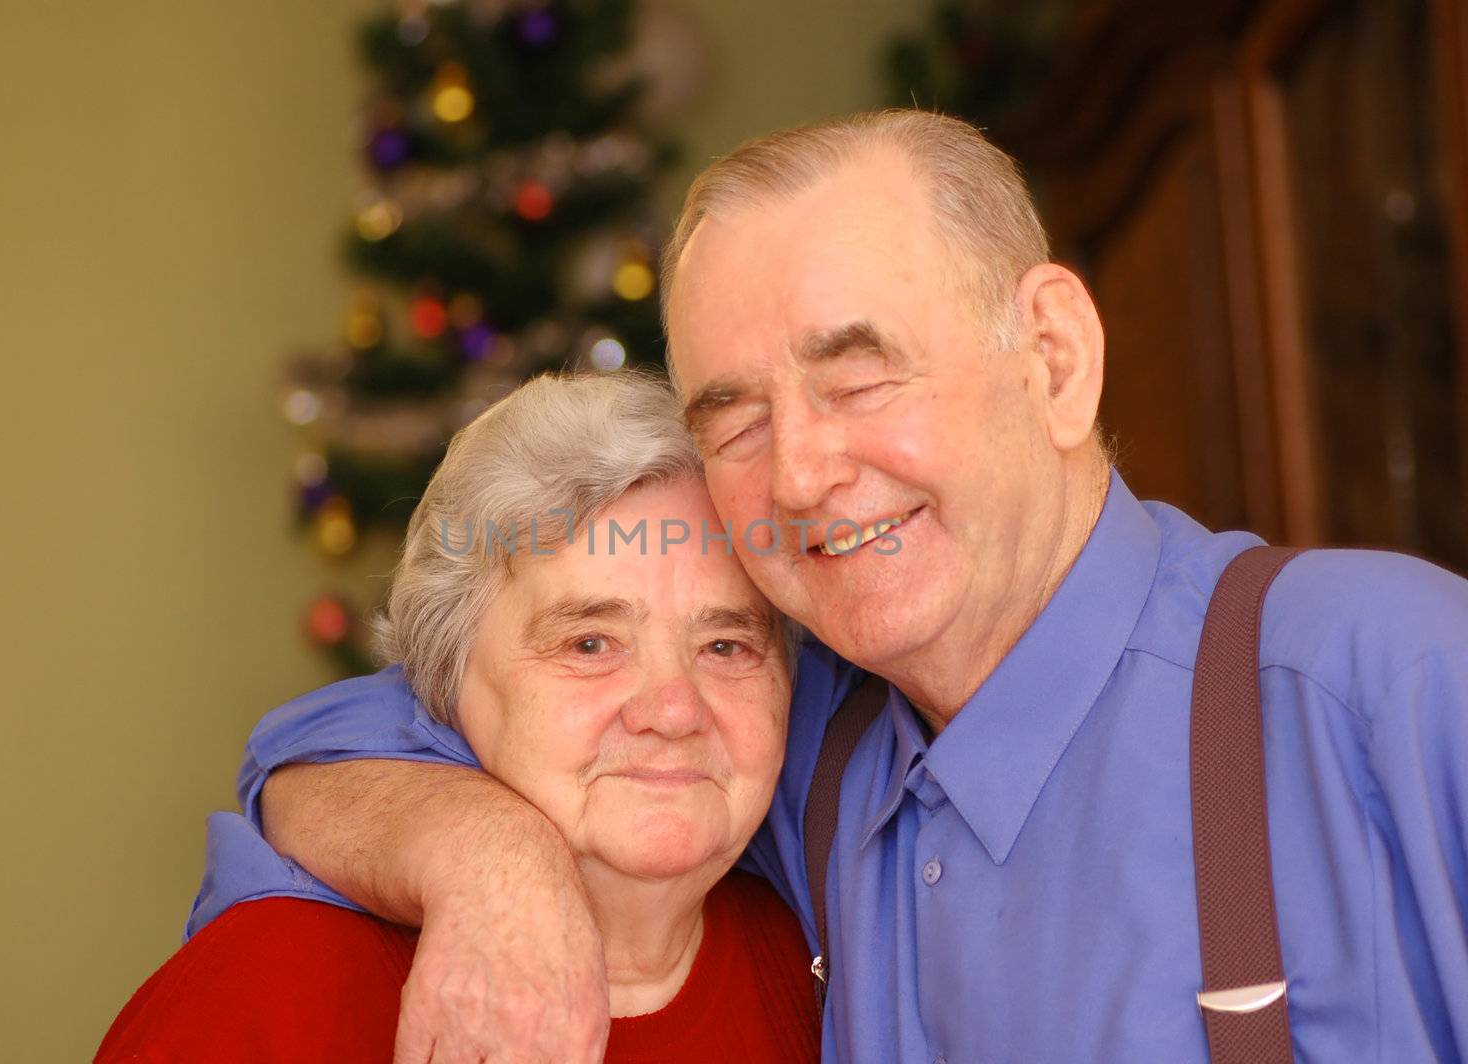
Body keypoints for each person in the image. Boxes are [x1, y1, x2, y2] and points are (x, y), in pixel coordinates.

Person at [199, 110, 1468, 1063]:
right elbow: (349, 732)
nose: (801, 472)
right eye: (733, 415)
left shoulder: (1387, 683)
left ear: (1056, 359)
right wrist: (487, 855)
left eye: (858, 377)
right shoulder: (788, 737)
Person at [96, 373, 821, 1063]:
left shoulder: (827, 964)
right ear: (446, 682)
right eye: (590, 643)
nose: (673, 709)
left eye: (726, 645)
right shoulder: (277, 988)